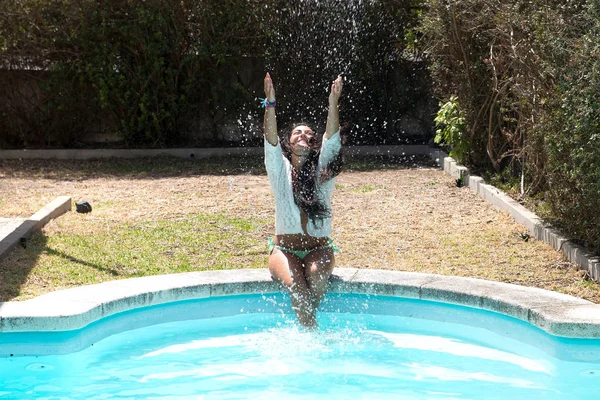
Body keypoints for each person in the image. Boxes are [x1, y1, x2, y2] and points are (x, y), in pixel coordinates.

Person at [262, 72, 344, 327]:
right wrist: (270, 103)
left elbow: (332, 140)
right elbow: (270, 140)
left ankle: (305, 328)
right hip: (284, 249)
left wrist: (333, 102)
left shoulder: (323, 172)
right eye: (297, 132)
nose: (303, 135)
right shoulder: (279, 169)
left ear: (314, 142)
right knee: (297, 285)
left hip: (319, 247)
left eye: (309, 133)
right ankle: (311, 332)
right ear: (289, 141)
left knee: (317, 277)